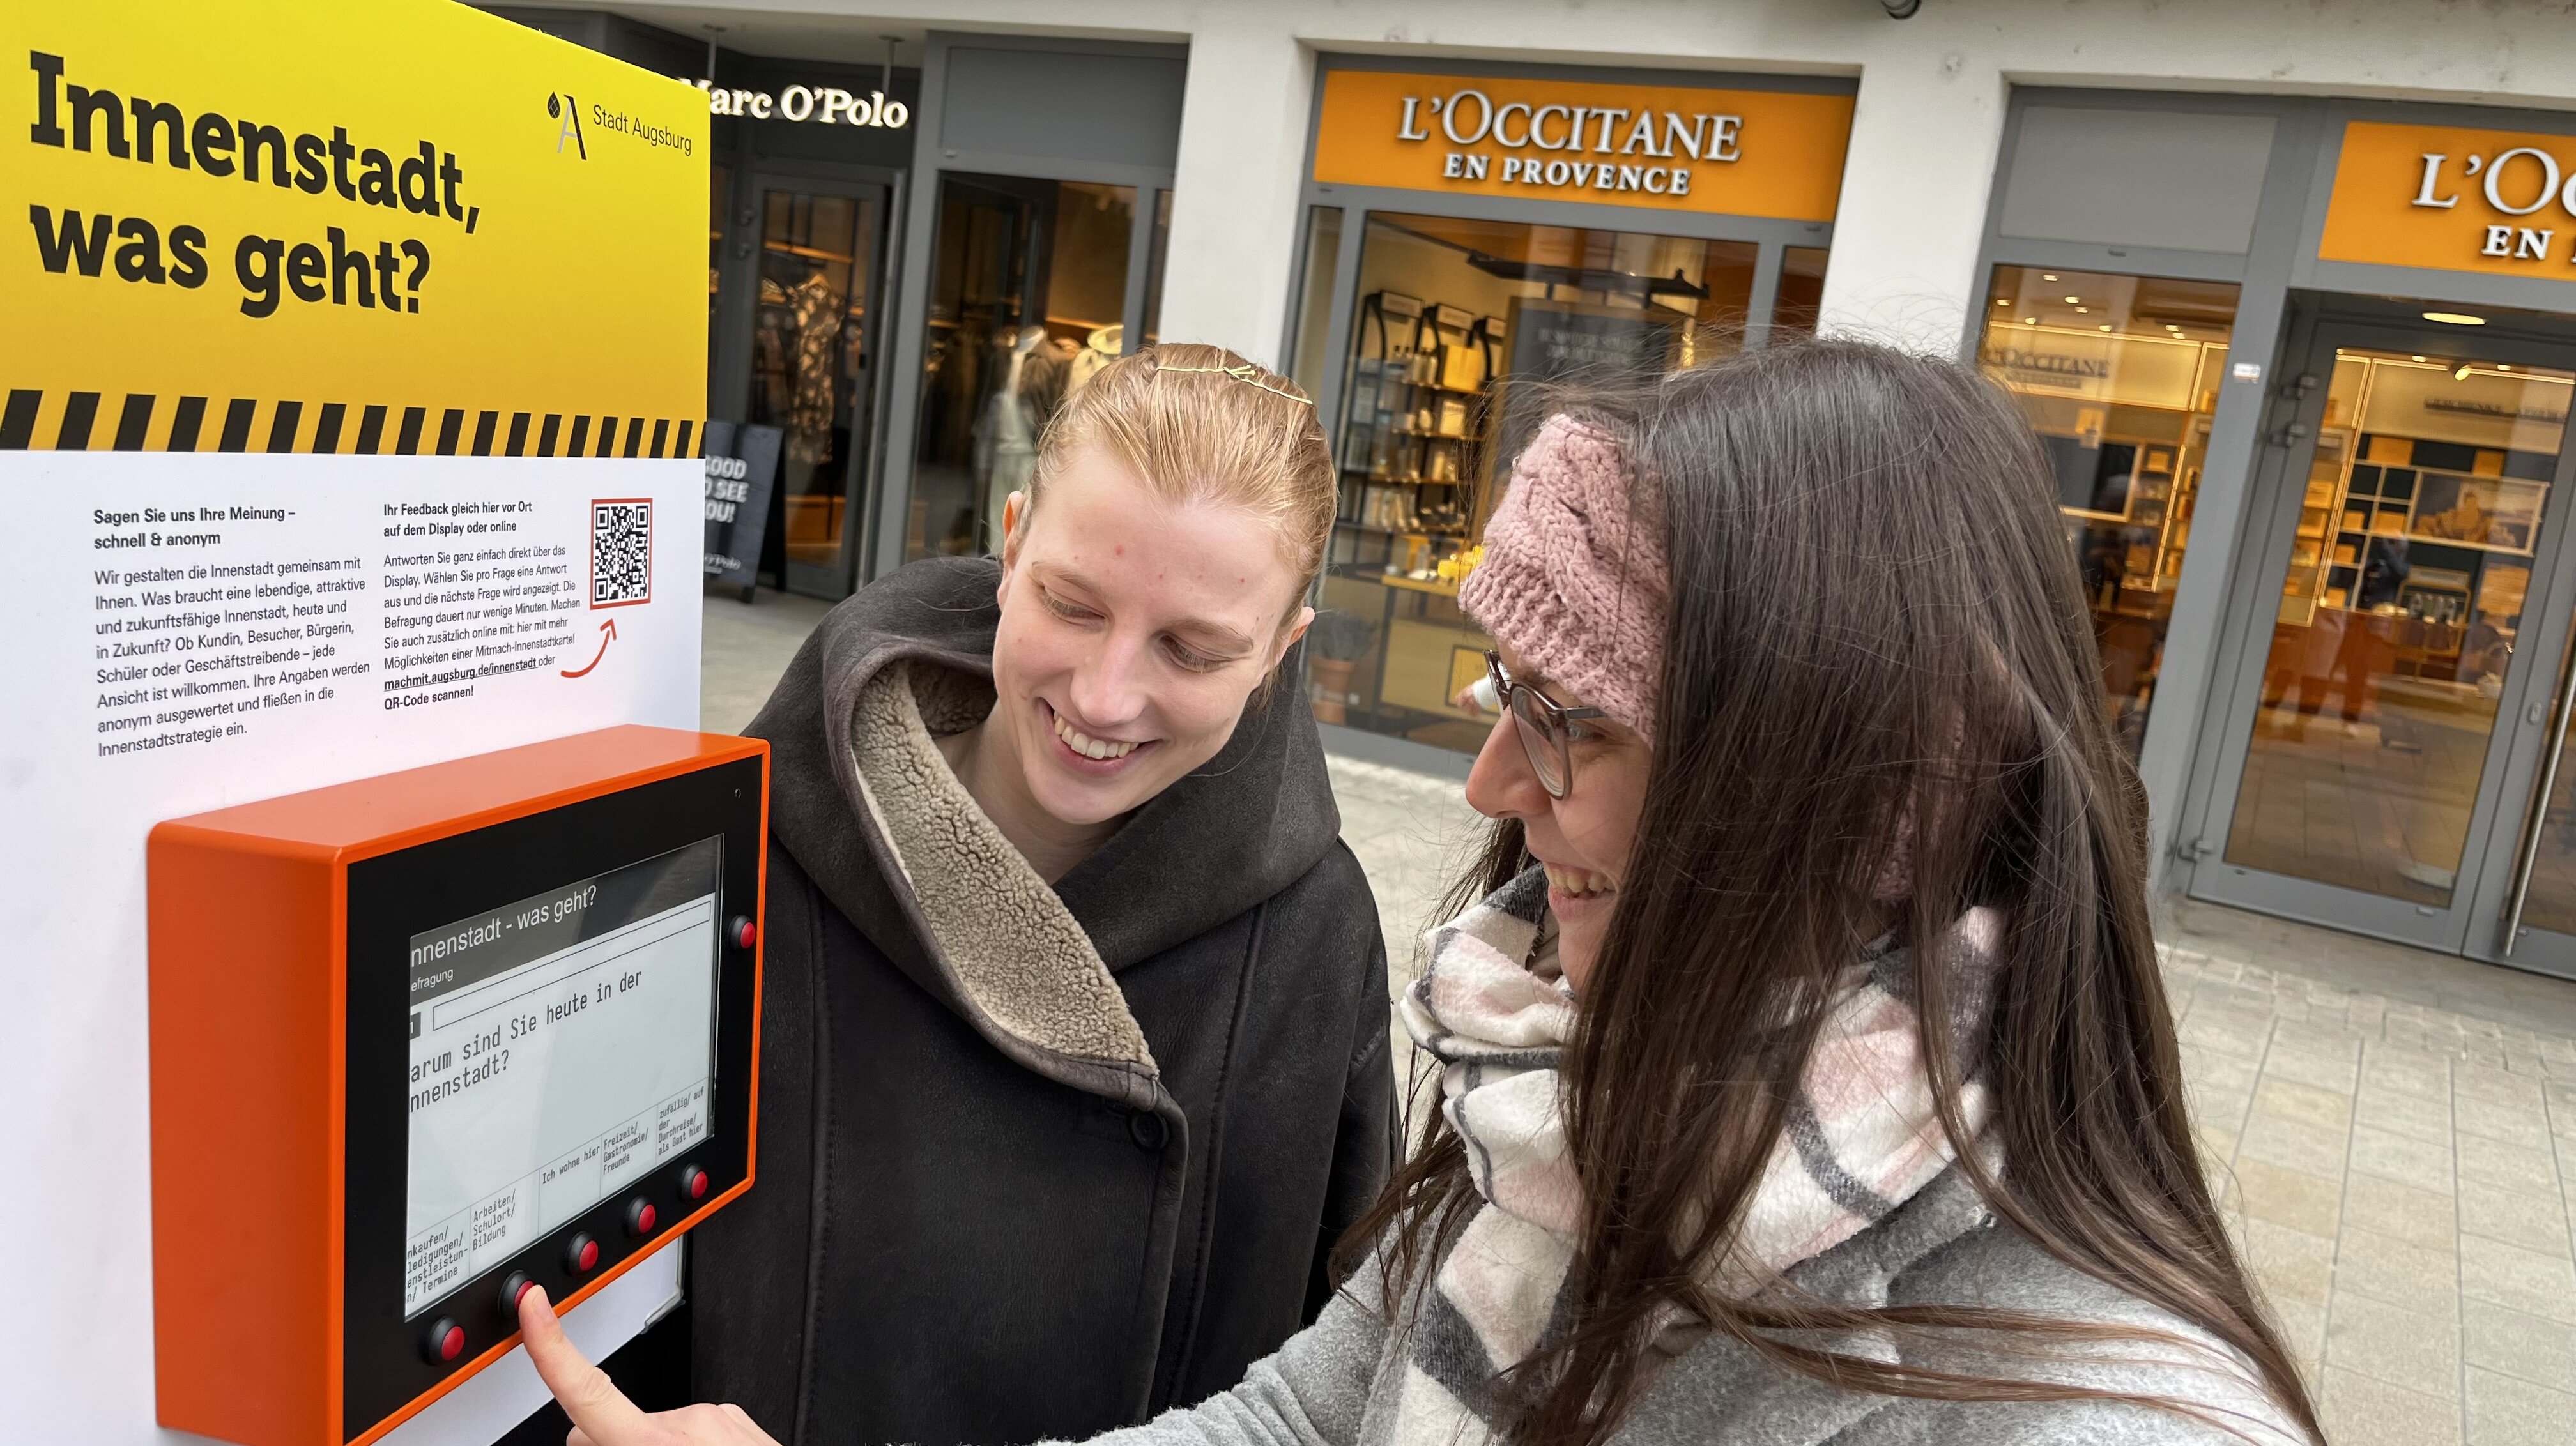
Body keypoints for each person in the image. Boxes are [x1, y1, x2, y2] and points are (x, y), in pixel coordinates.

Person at [523, 339, 2321, 1445]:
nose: (1484, 789)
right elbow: (1313, 1412)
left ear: (1831, 800)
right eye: (1502, 708)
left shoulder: (2092, 1410)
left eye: (1572, 727)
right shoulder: (1558, 1090)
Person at [684, 343, 1397, 1445]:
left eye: (1194, 651)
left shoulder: (1315, 934)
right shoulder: (773, 837)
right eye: (1072, 604)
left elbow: (1346, 1362)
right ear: (1010, 548)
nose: (1106, 697)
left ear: (1281, 653)